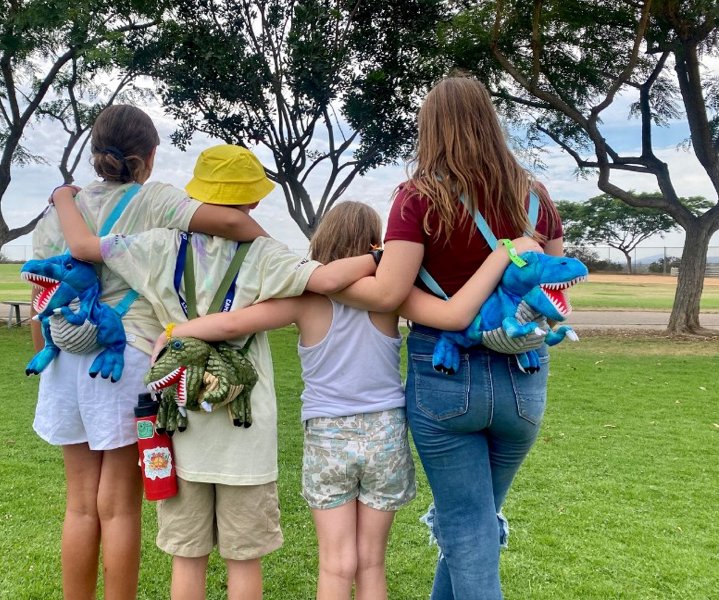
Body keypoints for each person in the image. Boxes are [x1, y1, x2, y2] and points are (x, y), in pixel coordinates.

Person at [146, 201, 543, 600]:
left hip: (326, 437)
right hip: (385, 433)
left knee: (335, 566)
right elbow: (455, 313)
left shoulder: (304, 299)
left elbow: (232, 322)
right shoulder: (394, 297)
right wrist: (500, 255)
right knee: (371, 563)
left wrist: (177, 331)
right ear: (375, 244)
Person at [48, 146, 385, 600]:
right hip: (245, 432)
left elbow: (83, 248)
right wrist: (378, 259)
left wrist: (63, 197)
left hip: (180, 422)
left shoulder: (157, 245)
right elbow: (326, 280)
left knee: (188, 559)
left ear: (198, 193)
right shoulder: (265, 253)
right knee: (243, 560)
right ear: (254, 202)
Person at [331, 76, 564, 600]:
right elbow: (552, 285)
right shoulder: (536, 198)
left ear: (430, 128)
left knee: (467, 528)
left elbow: (389, 291)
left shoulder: (417, 198)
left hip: (445, 376)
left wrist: (332, 285)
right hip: (523, 378)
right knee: (474, 525)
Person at [30, 107, 269, 600]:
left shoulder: (60, 211)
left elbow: (40, 295)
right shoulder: (156, 199)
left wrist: (47, 355)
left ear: (95, 153)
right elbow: (231, 222)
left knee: (78, 505)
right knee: (119, 505)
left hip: (63, 364)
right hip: (126, 362)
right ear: (149, 157)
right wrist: (268, 248)